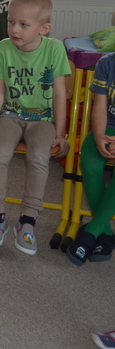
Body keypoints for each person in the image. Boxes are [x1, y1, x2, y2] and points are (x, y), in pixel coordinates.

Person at [0, 0, 70, 255]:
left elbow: (60, 94)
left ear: (44, 28)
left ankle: (28, 221)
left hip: (43, 120)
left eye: (23, 24)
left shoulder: (55, 49)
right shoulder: (3, 48)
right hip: (10, 116)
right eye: (11, 21)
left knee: (38, 158)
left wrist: (60, 133)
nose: (14, 29)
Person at [66, 52, 115, 265]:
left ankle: (91, 232)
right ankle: (106, 234)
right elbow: (100, 107)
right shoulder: (106, 63)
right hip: (106, 128)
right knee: (89, 162)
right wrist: (99, 136)